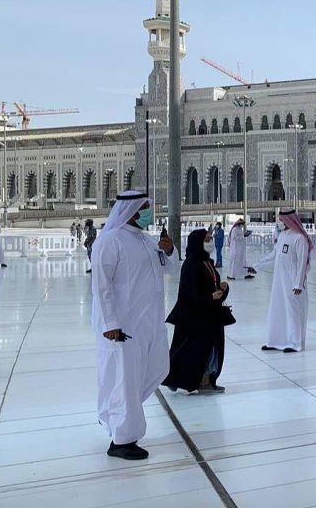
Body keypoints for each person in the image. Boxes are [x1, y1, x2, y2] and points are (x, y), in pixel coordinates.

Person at [91, 190, 176, 460]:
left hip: (149, 323)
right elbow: (101, 286)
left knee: (154, 369)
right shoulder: (110, 240)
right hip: (123, 327)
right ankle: (122, 439)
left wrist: (169, 250)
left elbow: (170, 268)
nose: (149, 213)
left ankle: (118, 415)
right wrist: (110, 323)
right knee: (124, 380)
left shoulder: (147, 240)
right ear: (131, 210)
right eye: (145, 208)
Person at [163, 229, 229, 394]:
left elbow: (212, 286)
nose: (210, 242)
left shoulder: (206, 262)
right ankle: (198, 381)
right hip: (195, 316)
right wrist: (209, 297)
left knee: (200, 349)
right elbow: (190, 293)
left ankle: (179, 378)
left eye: (210, 239)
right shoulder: (191, 264)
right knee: (195, 350)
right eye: (206, 239)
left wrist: (222, 289)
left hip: (208, 314)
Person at [253, 209, 312, 352]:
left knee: (292, 312)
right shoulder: (283, 235)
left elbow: (302, 263)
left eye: (282, 220)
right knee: (277, 310)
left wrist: (298, 284)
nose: (280, 222)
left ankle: (295, 343)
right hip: (279, 282)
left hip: (293, 283)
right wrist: (256, 266)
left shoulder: (300, 238)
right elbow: (274, 255)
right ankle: (275, 341)